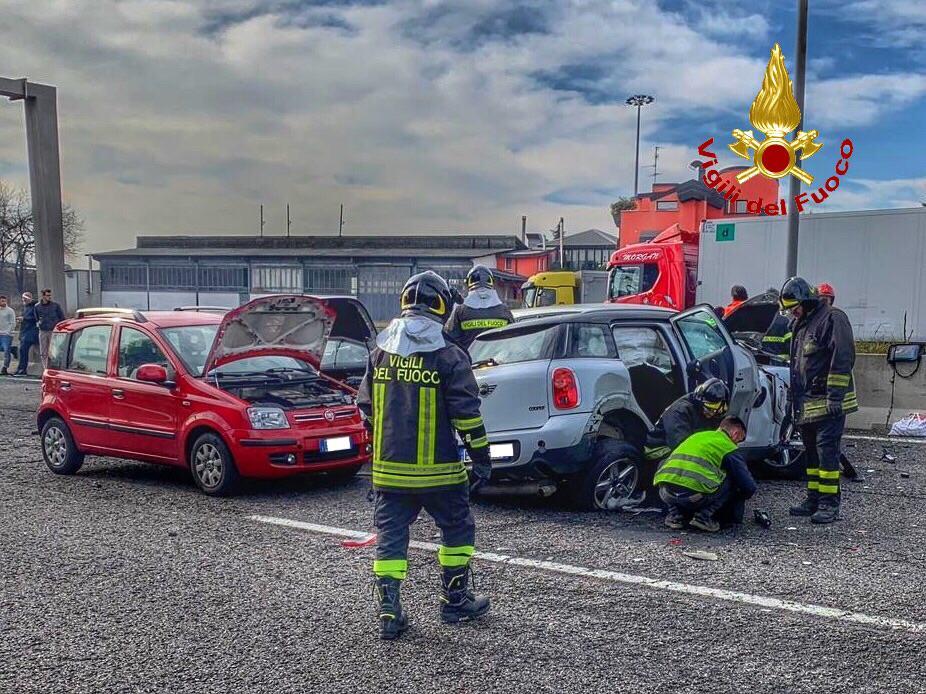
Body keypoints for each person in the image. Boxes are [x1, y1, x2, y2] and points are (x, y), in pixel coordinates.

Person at [357, 270, 492, 640]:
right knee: (457, 528)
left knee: (391, 538)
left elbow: (366, 409)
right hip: (440, 473)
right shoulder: (449, 356)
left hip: (388, 472)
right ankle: (455, 600)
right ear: (442, 305)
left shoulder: (379, 353)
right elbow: (467, 415)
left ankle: (389, 611)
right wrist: (482, 459)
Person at [780, 277, 858, 524]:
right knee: (812, 454)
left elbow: (843, 356)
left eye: (795, 307)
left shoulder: (833, 318)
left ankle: (829, 504)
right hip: (808, 404)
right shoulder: (802, 324)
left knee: (827, 455)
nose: (793, 312)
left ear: (806, 300)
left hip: (828, 403)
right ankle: (813, 498)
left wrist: (834, 396)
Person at [654, 416, 757, 532]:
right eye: (740, 439)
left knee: (667, 466)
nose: (738, 444)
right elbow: (748, 486)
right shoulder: (727, 446)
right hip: (694, 499)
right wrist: (739, 500)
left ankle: (675, 516)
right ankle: (703, 518)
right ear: (736, 432)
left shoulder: (697, 436)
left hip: (666, 495)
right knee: (733, 478)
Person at [645, 378, 730, 462]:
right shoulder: (680, 410)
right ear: (700, 402)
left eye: (716, 412)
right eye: (708, 410)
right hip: (659, 449)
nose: (711, 414)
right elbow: (681, 445)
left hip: (686, 444)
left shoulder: (715, 414)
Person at [444, 265, 514, 350]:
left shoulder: (460, 310)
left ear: (468, 283)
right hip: (498, 360)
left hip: (469, 360)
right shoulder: (504, 310)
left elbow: (452, 339)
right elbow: (512, 338)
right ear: (491, 282)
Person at [35, 288, 65, 369]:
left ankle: (54, 367)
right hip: (43, 330)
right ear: (43, 296)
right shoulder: (37, 307)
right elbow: (36, 318)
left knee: (54, 350)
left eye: (50, 295)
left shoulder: (55, 306)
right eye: (47, 295)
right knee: (43, 351)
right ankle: (46, 368)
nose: (49, 297)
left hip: (53, 330)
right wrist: (40, 323)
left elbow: (62, 317)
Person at [14, 292, 39, 376]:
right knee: (22, 351)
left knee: (24, 351)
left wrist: (24, 318)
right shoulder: (25, 308)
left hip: (31, 332)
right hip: (24, 331)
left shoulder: (34, 307)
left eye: (25, 298)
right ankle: (20, 368)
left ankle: (22, 369)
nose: (23, 300)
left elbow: (36, 318)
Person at [0, 296, 15, 375]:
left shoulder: (10, 311)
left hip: (7, 334)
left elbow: (13, 323)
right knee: (4, 348)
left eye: (4, 301)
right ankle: (13, 349)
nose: (3, 302)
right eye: (2, 301)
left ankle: (5, 367)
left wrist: (8, 332)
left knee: (6, 351)